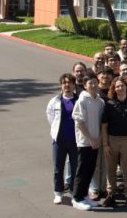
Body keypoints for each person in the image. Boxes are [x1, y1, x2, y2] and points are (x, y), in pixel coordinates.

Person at [100, 77, 127, 208]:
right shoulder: (109, 104)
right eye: (117, 86)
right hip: (112, 140)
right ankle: (111, 195)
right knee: (110, 169)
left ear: (126, 87)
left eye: (122, 86)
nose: (120, 88)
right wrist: (105, 145)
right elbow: (104, 126)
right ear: (114, 89)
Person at [71, 76, 105, 211]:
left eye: (95, 83)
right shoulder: (82, 101)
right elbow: (79, 123)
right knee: (82, 170)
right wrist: (90, 139)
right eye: (90, 83)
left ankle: (84, 196)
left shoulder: (100, 101)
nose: (93, 85)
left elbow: (102, 122)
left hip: (96, 142)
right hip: (85, 142)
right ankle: (76, 198)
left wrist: (98, 139)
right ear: (85, 85)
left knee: (90, 170)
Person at [47, 73, 78, 205]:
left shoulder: (78, 100)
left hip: (75, 140)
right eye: (64, 83)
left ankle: (73, 192)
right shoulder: (54, 101)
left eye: (69, 82)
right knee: (58, 168)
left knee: (75, 167)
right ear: (61, 85)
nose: (67, 85)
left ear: (74, 85)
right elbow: (50, 116)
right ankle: (58, 193)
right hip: (59, 140)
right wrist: (56, 130)